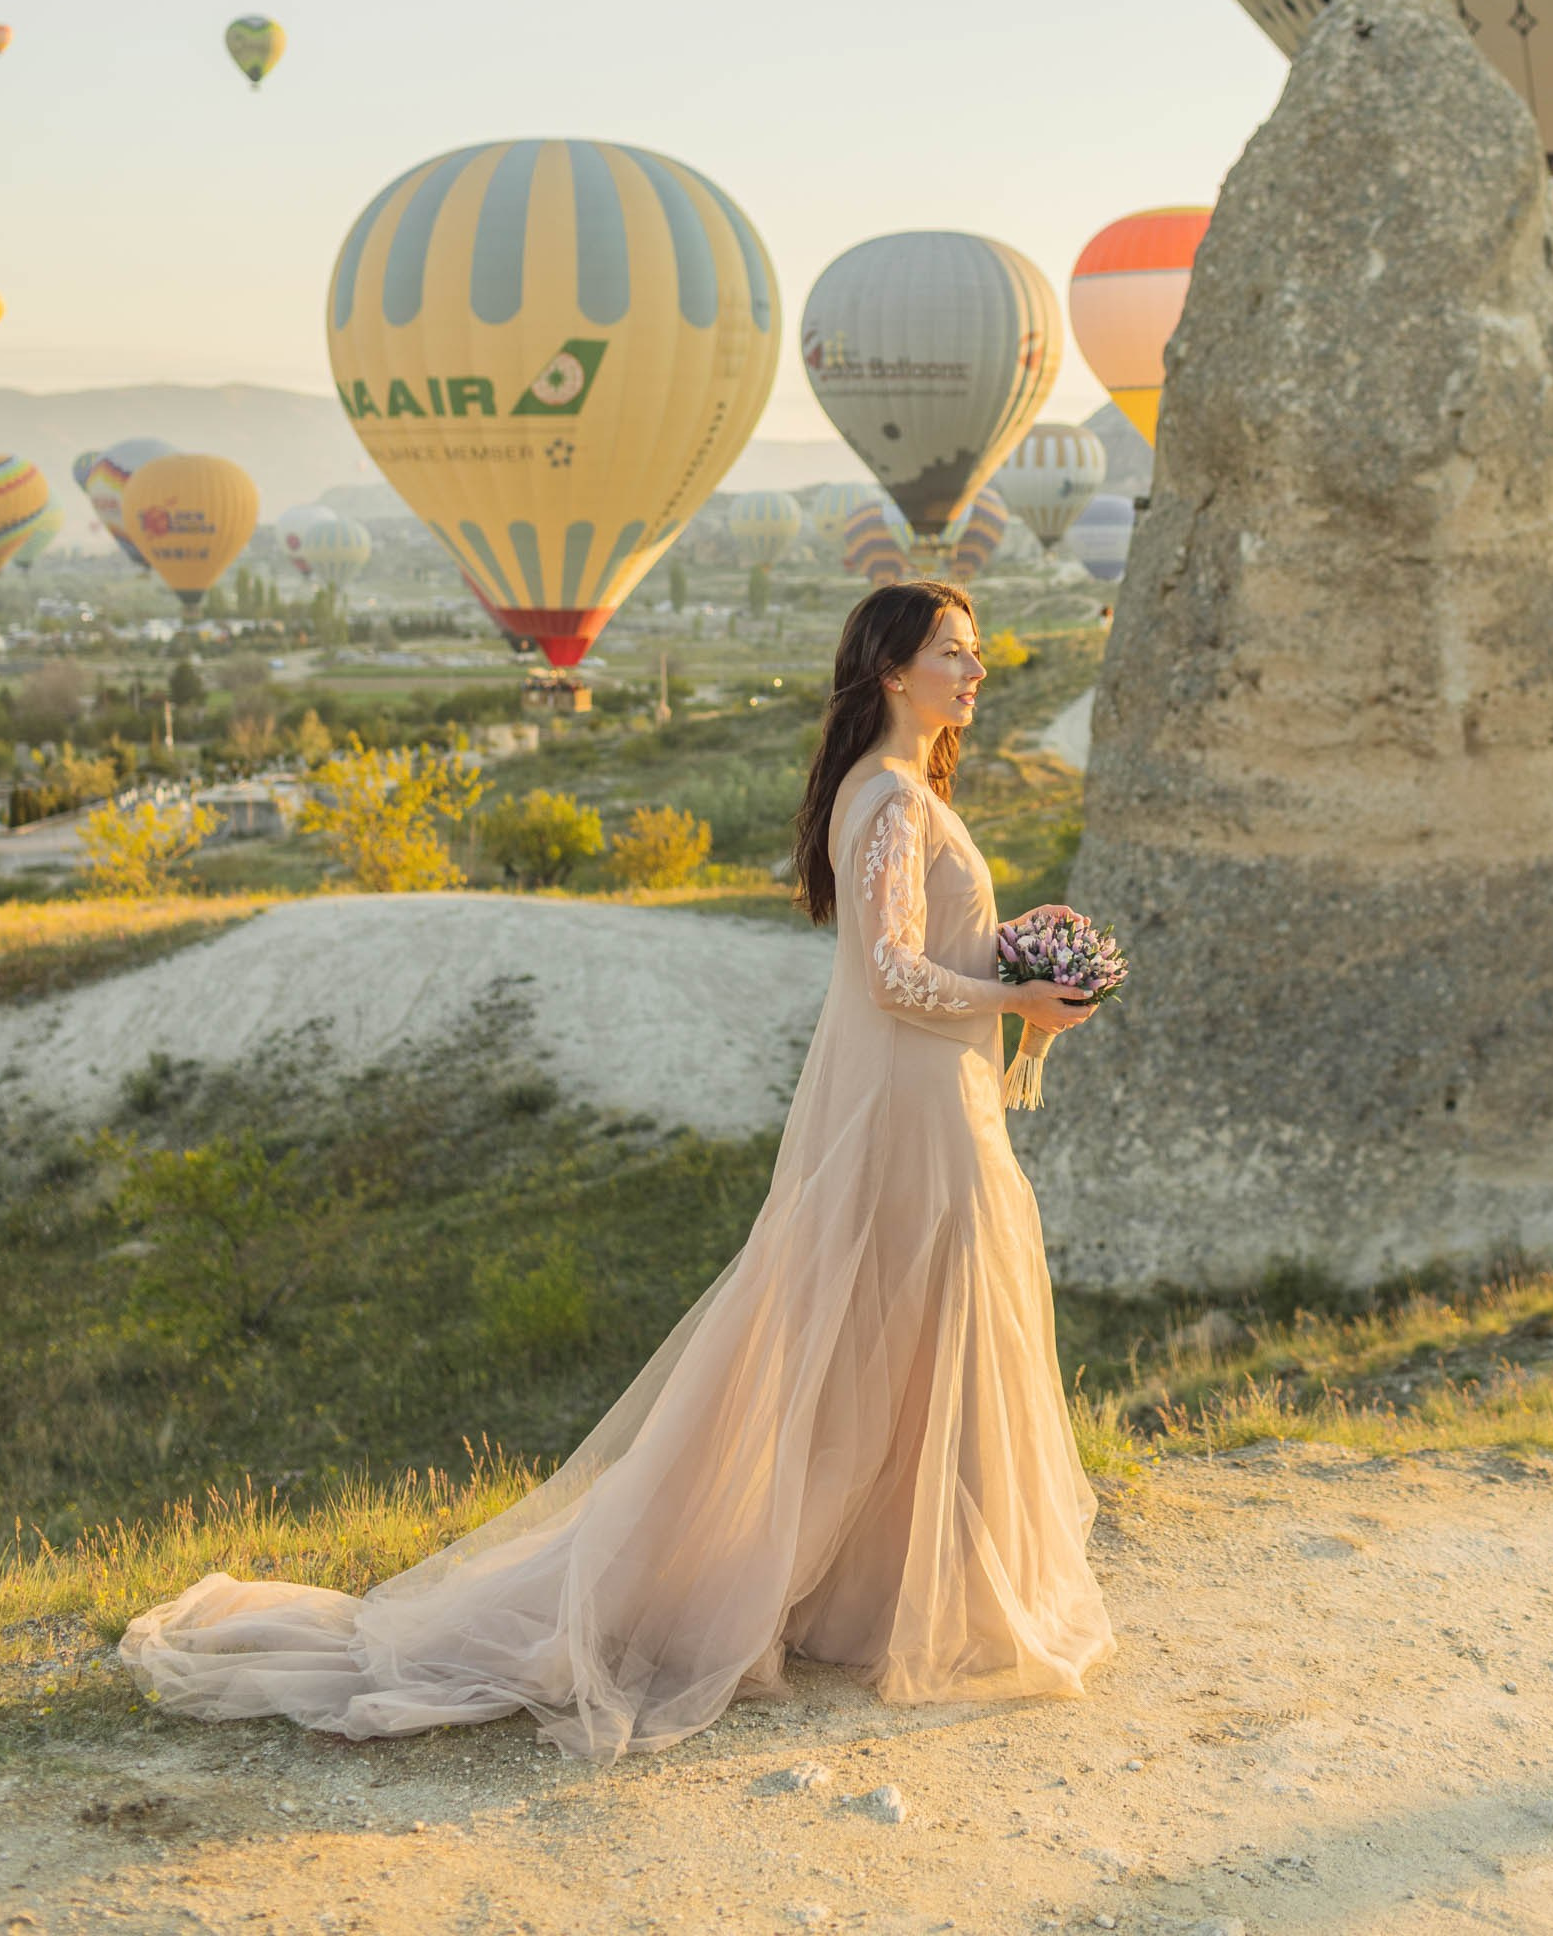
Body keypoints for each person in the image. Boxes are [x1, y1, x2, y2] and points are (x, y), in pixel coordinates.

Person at [119, 580, 1113, 1756]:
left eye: (978, 651)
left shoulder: (899, 792)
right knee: (898, 1334)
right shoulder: (892, 798)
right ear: (895, 671)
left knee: (897, 1343)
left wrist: (1014, 971)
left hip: (933, 1099)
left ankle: (873, 1594)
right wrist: (1015, 991)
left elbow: (917, 958)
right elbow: (893, 973)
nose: (977, 670)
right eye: (956, 652)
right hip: (913, 1110)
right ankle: (812, 1591)